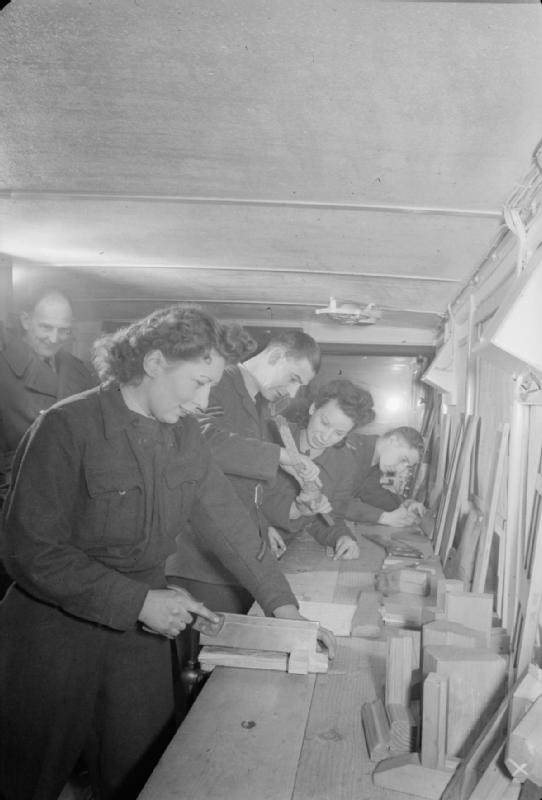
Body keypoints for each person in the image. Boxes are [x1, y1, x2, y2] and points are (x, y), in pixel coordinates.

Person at [0, 305, 335, 800]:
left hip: (138, 637)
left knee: (147, 774)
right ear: (154, 362)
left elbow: (230, 524)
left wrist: (286, 612)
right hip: (53, 633)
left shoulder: (183, 436)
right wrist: (138, 601)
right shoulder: (65, 427)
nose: (203, 402)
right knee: (26, 779)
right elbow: (32, 552)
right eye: (198, 383)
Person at [166, 329, 324, 613]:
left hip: (234, 559)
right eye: (293, 379)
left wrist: (273, 522)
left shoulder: (261, 405)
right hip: (199, 560)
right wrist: (279, 455)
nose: (292, 392)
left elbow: (243, 487)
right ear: (276, 355)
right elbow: (200, 441)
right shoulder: (217, 381)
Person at [261, 379, 376, 560]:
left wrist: (342, 537)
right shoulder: (273, 434)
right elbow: (238, 492)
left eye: (339, 433)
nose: (325, 437)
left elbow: (329, 518)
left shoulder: (345, 464)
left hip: (284, 551)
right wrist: (260, 525)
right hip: (243, 533)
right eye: (324, 423)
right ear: (313, 408)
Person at [0, 288, 96, 500]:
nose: (54, 338)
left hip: (70, 496)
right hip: (18, 497)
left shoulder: (81, 371)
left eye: (64, 330)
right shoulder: (3, 371)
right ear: (26, 321)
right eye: (46, 327)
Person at [345, 426, 426, 526]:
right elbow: (334, 500)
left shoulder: (376, 465)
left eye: (407, 466)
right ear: (392, 440)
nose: (400, 470)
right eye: (403, 459)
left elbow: (376, 496)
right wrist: (384, 518)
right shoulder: (350, 447)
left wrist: (405, 506)